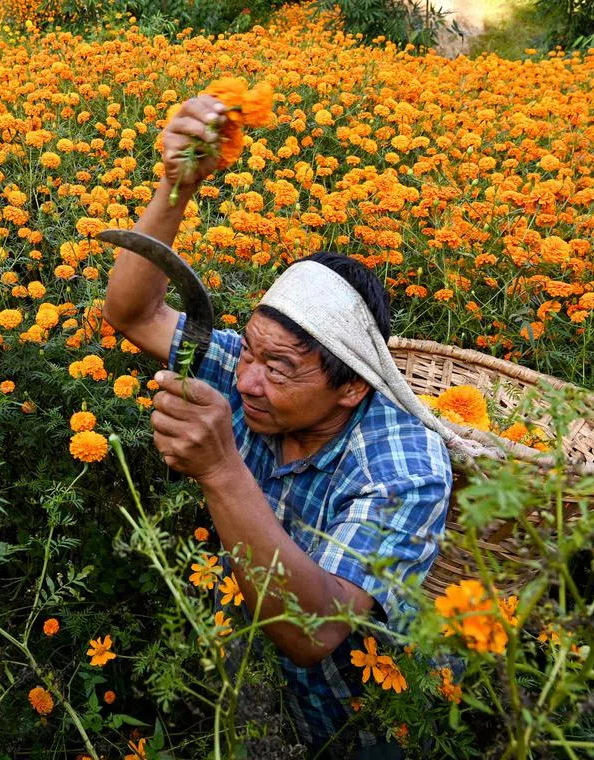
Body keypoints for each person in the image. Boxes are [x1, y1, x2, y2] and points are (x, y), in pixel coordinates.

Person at [103, 93, 456, 756]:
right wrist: (176, 185)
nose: (245, 380)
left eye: (279, 367)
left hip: (368, 711)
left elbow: (311, 630)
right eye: (252, 348)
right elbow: (132, 311)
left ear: (351, 386)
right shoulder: (253, 365)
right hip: (257, 660)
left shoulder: (404, 469)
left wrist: (220, 469)